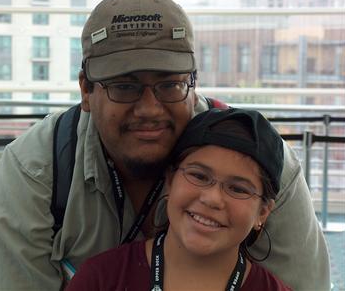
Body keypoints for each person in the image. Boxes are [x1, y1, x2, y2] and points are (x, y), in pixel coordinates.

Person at [0, 0, 330, 290]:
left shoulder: (264, 161)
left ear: (193, 84)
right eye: (125, 86)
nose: (150, 109)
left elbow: (304, 284)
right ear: (86, 91)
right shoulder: (36, 168)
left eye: (169, 84)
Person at [65, 108, 292, 291]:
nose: (212, 198)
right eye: (199, 176)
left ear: (263, 212)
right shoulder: (101, 279)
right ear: (171, 181)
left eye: (238, 189)